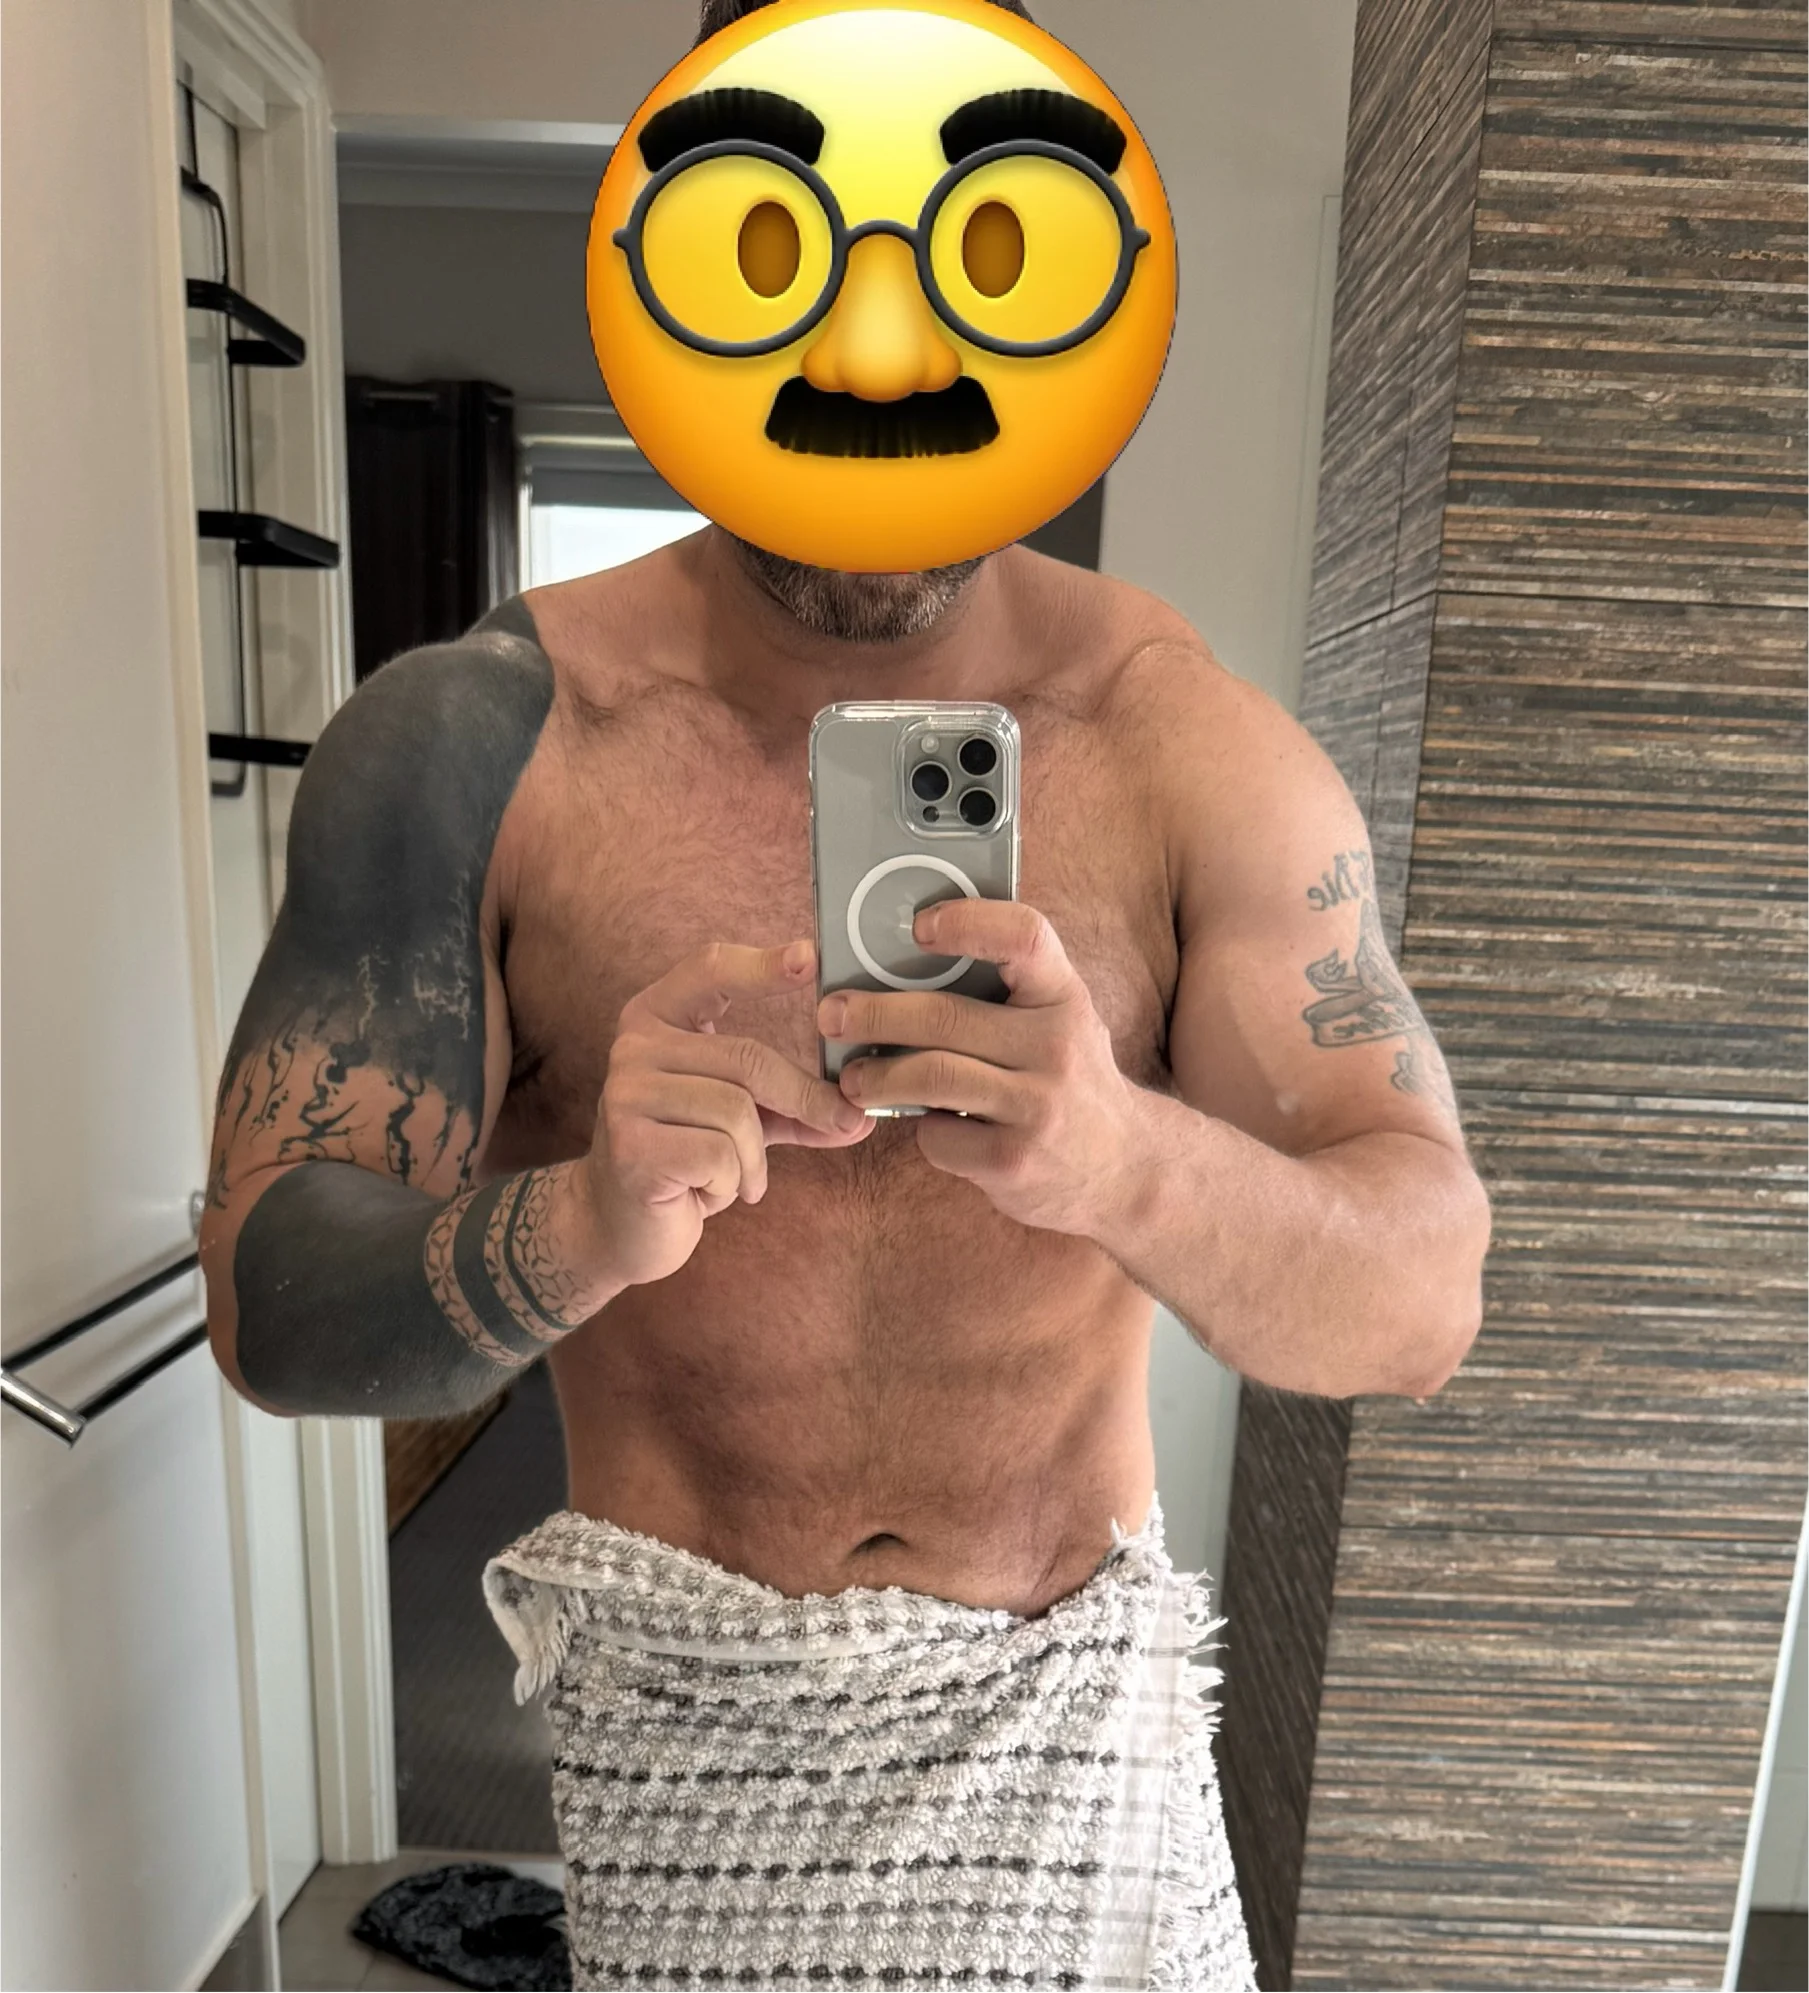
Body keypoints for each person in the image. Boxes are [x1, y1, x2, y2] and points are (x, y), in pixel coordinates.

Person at [201, 3, 1491, 1985]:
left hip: (1077, 1743)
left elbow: (1417, 1305)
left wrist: (1123, 1161)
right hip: (684, 1756)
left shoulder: (1184, 747)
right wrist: (583, 1219)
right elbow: (276, 1303)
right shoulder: (475, 744)